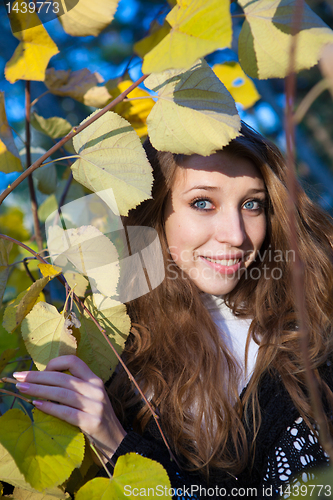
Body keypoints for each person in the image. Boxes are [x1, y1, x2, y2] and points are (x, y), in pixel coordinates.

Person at [12, 123, 333, 499]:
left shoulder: (314, 337)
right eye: (203, 203)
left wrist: (119, 445)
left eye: (252, 204)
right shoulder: (114, 344)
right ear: (156, 211)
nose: (236, 234)